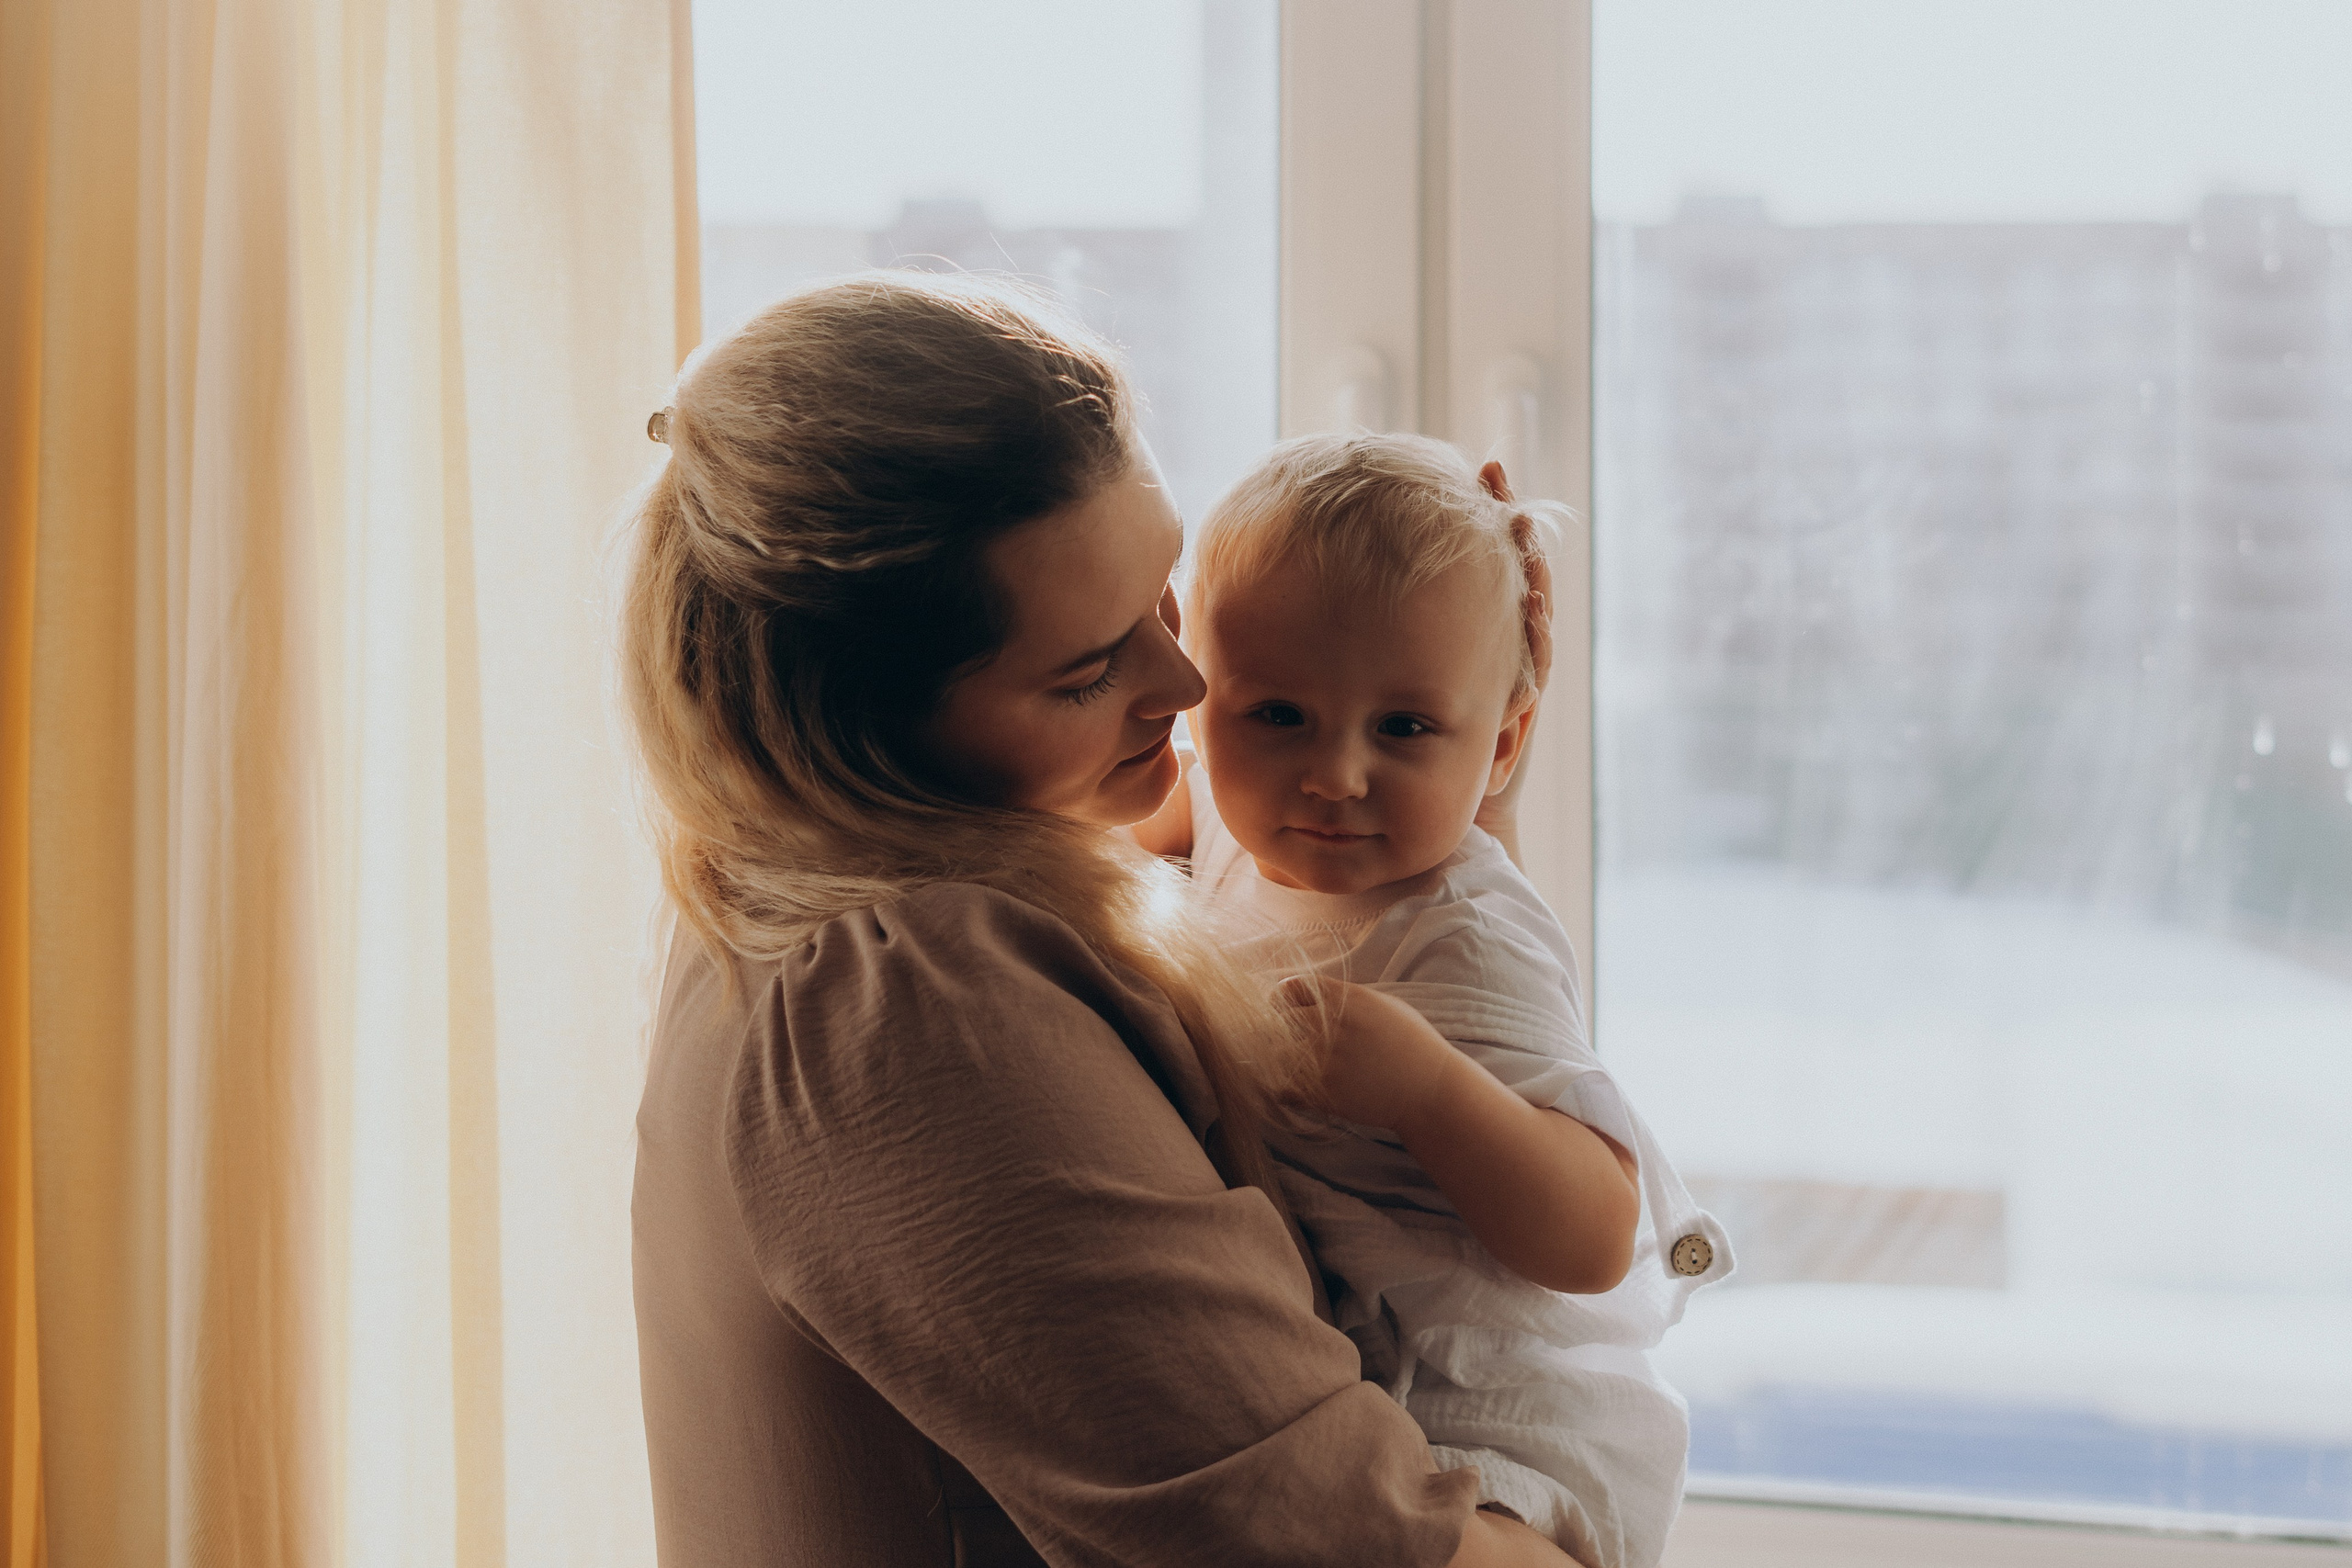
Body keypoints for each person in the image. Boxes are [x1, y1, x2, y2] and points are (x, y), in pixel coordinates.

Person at [620, 272, 1578, 1567]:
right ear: (865, 725)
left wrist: (1470, 778)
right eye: (1087, 668)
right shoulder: (911, 1003)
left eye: (1163, 595)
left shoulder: (804, 879)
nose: (1185, 681)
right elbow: (1337, 1544)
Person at [1132, 434, 1733, 1568]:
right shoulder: (1223, 826)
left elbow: (1598, 1234)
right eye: (1275, 716)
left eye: (1404, 728)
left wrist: (1426, 1087)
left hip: (1501, 1414)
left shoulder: (1465, 938)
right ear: (1196, 697)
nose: (1335, 776)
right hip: (1363, 1373)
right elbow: (1093, 853)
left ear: (1502, 742)